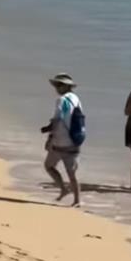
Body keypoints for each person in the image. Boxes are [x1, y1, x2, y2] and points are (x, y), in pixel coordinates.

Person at [40, 73, 83, 207]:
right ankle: (77, 200)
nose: (57, 88)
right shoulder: (76, 98)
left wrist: (49, 136)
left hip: (60, 141)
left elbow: (57, 120)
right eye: (56, 85)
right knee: (72, 173)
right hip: (75, 139)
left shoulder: (61, 100)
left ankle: (64, 189)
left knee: (49, 166)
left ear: (66, 86)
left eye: (59, 85)